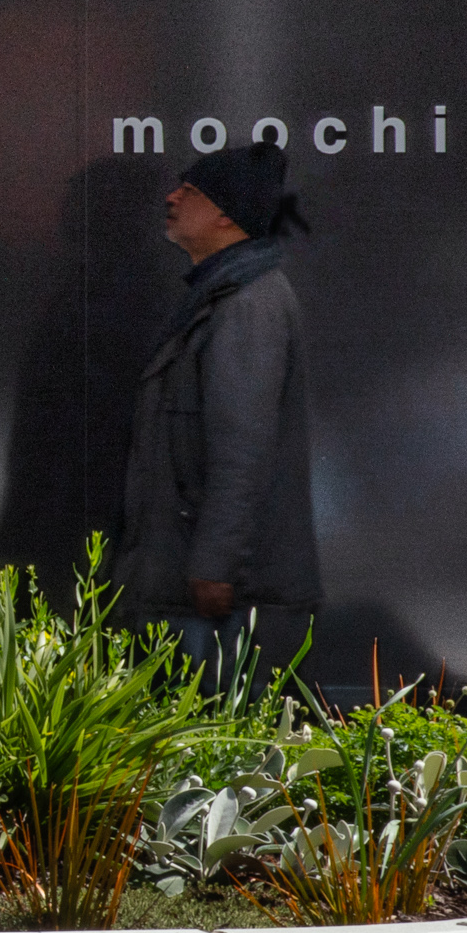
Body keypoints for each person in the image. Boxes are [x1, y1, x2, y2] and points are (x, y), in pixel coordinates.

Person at [111, 134, 322, 671]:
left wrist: (213, 567)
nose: (173, 198)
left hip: (216, 603)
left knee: (212, 743)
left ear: (227, 215)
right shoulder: (223, 297)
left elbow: (242, 449)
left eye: (192, 190)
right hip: (194, 590)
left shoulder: (247, 306)